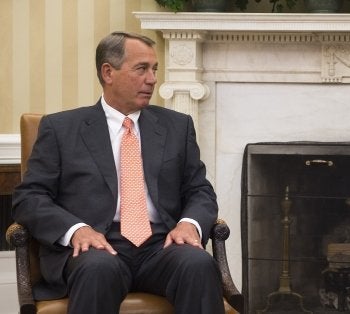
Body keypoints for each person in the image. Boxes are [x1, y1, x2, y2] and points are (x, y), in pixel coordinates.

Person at [12, 31, 225, 314]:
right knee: (98, 268)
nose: (152, 79)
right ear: (108, 72)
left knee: (198, 264)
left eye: (154, 70)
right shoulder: (61, 129)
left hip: (161, 246)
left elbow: (199, 190)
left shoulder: (177, 127)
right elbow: (30, 197)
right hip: (96, 247)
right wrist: (76, 230)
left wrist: (189, 223)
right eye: (141, 69)